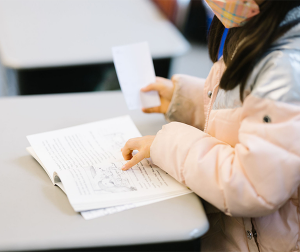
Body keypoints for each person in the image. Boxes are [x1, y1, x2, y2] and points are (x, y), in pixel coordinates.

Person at [121, 0, 300, 251]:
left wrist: (166, 143)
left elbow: (250, 186)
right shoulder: (261, 28)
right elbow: (249, 113)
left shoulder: (285, 67)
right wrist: (184, 100)